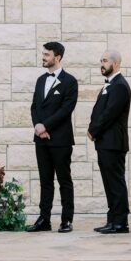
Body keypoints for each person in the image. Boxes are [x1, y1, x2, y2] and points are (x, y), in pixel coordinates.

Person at [26, 41, 79, 233]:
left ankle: (67, 220)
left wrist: (46, 125)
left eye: (47, 54)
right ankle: (44, 219)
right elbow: (34, 107)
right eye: (43, 54)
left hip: (60, 139)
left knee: (64, 180)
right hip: (41, 138)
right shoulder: (41, 80)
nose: (43, 57)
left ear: (57, 57)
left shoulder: (70, 81)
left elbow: (66, 109)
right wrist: (38, 126)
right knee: (45, 180)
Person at [87, 49, 131, 234]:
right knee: (109, 182)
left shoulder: (120, 85)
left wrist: (93, 130)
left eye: (105, 61)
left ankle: (120, 222)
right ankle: (112, 219)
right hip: (105, 142)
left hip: (113, 143)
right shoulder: (110, 84)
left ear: (116, 63)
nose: (102, 64)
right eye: (101, 61)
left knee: (115, 182)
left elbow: (109, 114)